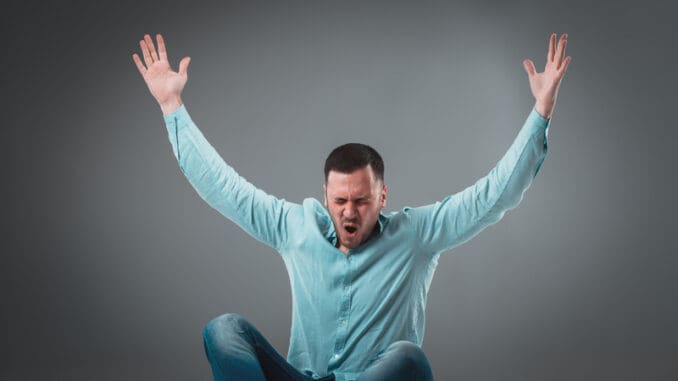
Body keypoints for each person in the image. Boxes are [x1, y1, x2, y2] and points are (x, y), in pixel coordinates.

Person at [132, 32, 571, 381]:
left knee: (407, 359)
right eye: (340, 200)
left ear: (382, 197)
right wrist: (172, 106)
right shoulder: (294, 227)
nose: (349, 211)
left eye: (361, 201)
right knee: (224, 330)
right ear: (325, 197)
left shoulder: (416, 235)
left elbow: (492, 196)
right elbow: (223, 187)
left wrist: (541, 110)